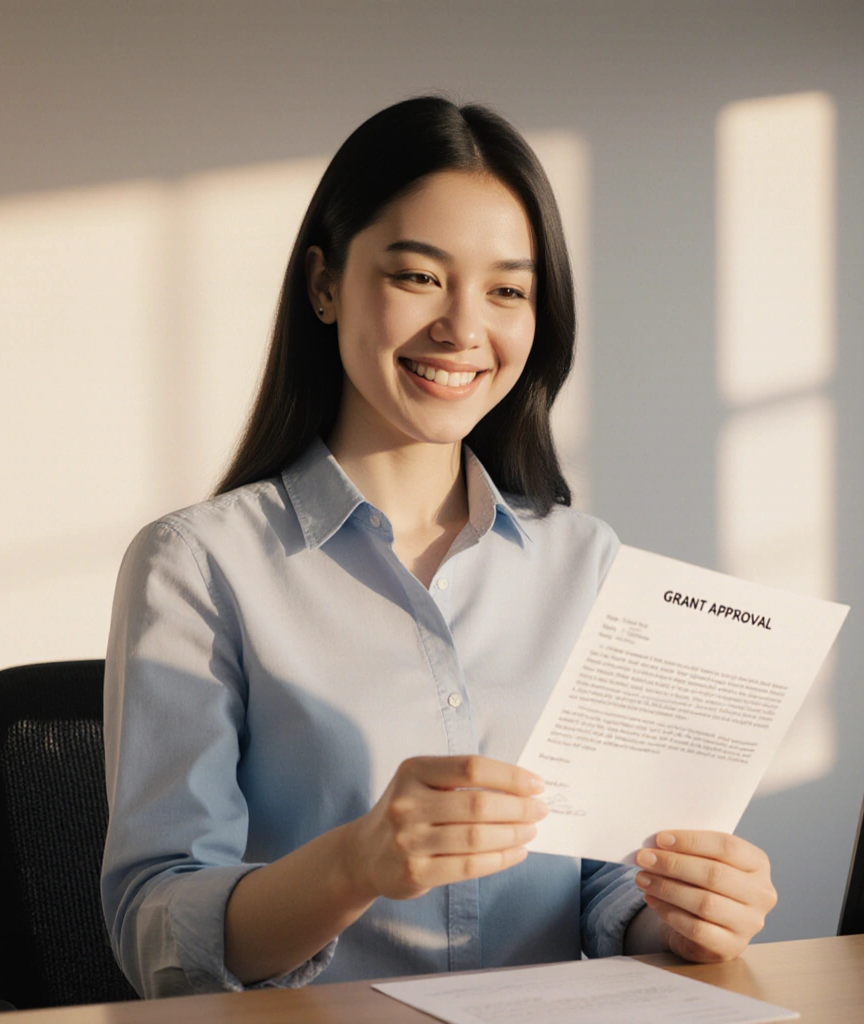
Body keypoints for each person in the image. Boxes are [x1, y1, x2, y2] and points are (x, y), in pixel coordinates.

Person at [101, 96, 777, 999]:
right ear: (325, 284)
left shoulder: (586, 562)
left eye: (507, 290)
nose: (464, 329)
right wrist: (355, 864)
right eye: (419, 276)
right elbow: (158, 934)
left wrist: (686, 913)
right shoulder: (199, 565)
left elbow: (608, 884)